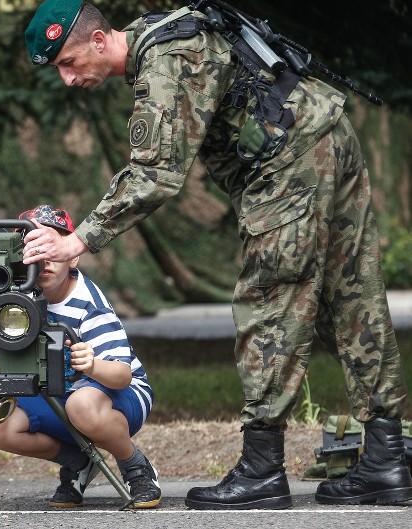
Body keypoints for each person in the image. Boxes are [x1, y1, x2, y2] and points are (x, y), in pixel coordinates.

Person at [21, 0, 412, 510]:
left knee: (269, 302)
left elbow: (154, 174)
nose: (68, 79)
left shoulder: (165, 60)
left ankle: (262, 468)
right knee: (353, 295)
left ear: (99, 41)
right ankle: (386, 458)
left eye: (69, 63)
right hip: (326, 133)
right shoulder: (159, 36)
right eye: (60, 71)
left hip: (288, 161)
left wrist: (78, 240)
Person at [0, 204, 159, 509]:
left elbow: (122, 374)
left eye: (51, 246)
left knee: (82, 404)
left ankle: (135, 467)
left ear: (72, 255)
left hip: (120, 394)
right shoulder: (15, 296)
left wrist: (92, 365)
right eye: (32, 249)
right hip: (59, 395)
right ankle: (79, 462)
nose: (44, 259)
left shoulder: (89, 304)